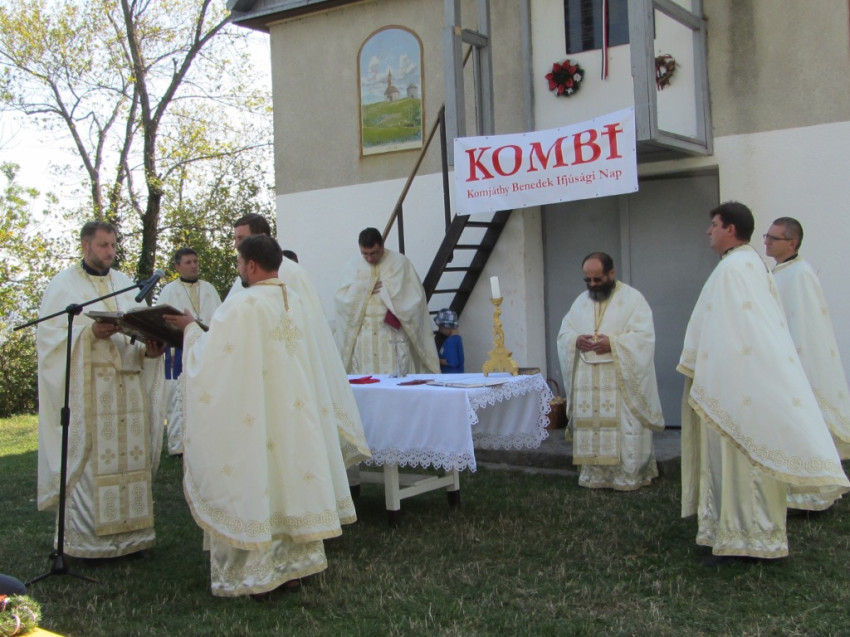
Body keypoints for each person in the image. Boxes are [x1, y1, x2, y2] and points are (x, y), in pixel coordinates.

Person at [164, 234, 370, 598]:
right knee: (289, 484)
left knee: (257, 483)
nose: (238, 269)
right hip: (294, 418)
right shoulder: (297, 303)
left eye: (238, 263)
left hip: (257, 417)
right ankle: (293, 569)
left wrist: (189, 330)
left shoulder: (243, 305)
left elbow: (211, 359)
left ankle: (258, 575)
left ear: (251, 265)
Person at [678, 202, 849, 562]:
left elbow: (737, 331)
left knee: (741, 463)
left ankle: (744, 542)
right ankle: (732, 536)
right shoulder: (747, 264)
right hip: (738, 383)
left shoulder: (736, 268)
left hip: (737, 387)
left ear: (730, 229)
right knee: (736, 464)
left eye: (714, 224)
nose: (708, 231)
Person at [36, 220, 166, 559]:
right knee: (94, 466)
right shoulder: (63, 286)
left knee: (130, 464)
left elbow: (137, 332)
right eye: (103, 245)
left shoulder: (124, 283)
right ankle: (87, 545)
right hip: (91, 394)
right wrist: (88, 334)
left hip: (128, 392)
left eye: (112, 245)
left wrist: (150, 350)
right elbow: (49, 341)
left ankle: (133, 540)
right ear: (85, 246)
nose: (110, 252)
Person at [556, 252, 664, 491]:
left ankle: (628, 476)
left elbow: (644, 337)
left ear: (611, 273)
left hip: (620, 377)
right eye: (588, 280)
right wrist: (575, 340)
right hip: (588, 378)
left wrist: (613, 344)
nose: (592, 285)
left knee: (623, 429)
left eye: (598, 279)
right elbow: (564, 333)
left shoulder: (633, 299)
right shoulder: (581, 301)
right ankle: (594, 475)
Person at [764, 216, 850, 511]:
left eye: (773, 238)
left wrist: (792, 365)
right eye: (766, 236)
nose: (767, 242)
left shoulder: (800, 275)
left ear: (792, 242)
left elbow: (805, 326)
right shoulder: (778, 272)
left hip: (798, 365)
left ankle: (812, 496)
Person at [334, 227, 439, 375]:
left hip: (392, 333)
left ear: (382, 246)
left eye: (373, 253)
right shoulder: (352, 266)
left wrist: (390, 293)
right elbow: (341, 300)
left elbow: (416, 298)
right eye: (365, 254)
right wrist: (362, 289)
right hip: (364, 336)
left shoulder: (400, 263)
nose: (369, 258)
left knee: (396, 376)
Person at [156, 247, 221, 456]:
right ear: (178, 266)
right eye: (188, 262)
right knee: (177, 396)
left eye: (195, 261)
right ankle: (179, 445)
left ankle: (206, 441)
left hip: (205, 349)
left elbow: (219, 317)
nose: (193, 266)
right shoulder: (169, 291)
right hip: (178, 351)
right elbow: (161, 320)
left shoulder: (209, 289)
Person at [224, 213, 272, 301]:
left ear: (262, 238)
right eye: (235, 239)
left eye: (241, 238)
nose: (236, 245)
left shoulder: (290, 272)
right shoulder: (245, 274)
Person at [434, 309, 464, 374]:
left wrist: (436, 360)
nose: (440, 331)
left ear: (446, 326)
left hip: (451, 376)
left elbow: (452, 362)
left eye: (440, 328)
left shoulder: (451, 341)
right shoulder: (457, 339)